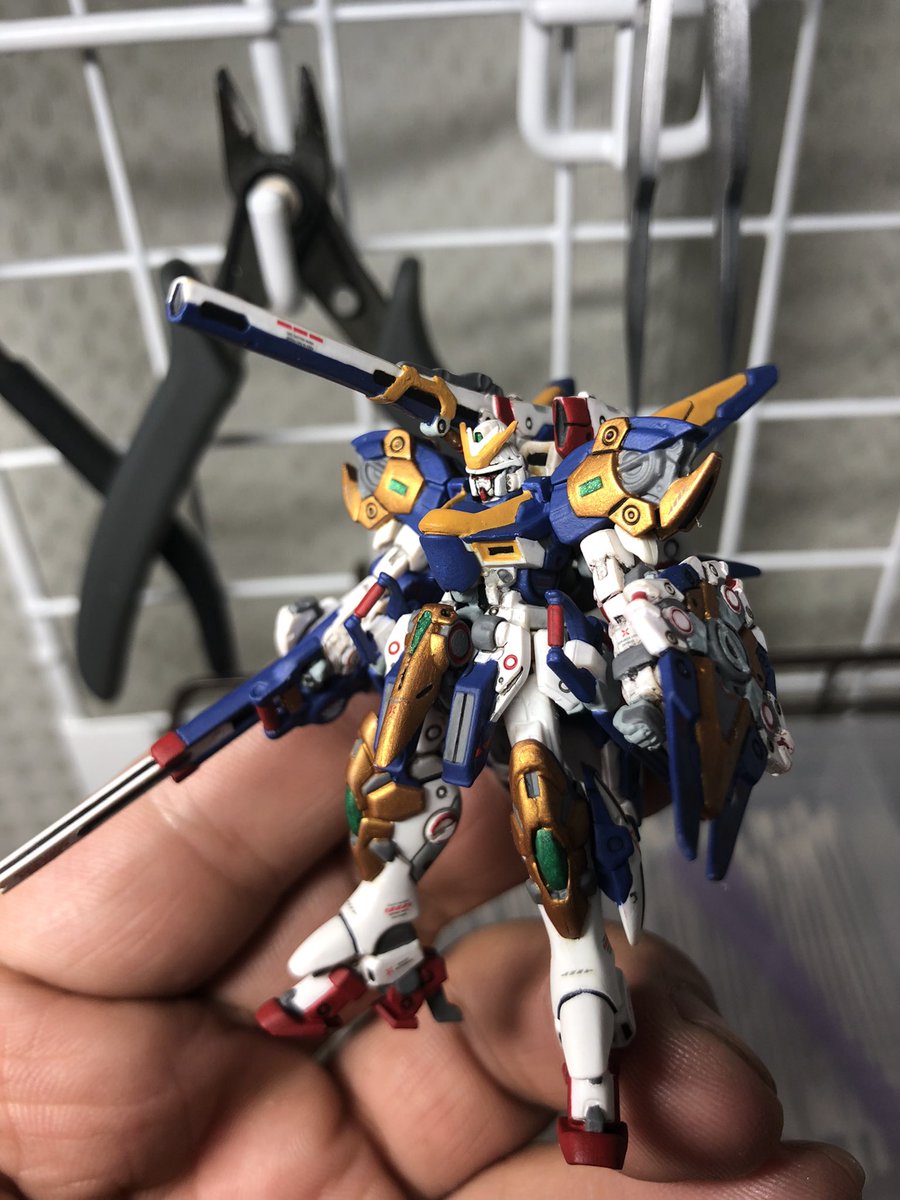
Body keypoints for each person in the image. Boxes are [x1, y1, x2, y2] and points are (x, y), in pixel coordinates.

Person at [0, 701, 864, 1198]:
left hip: (556, 739)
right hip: (451, 747)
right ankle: (364, 961)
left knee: (563, 895)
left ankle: (589, 1081)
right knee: (408, 835)